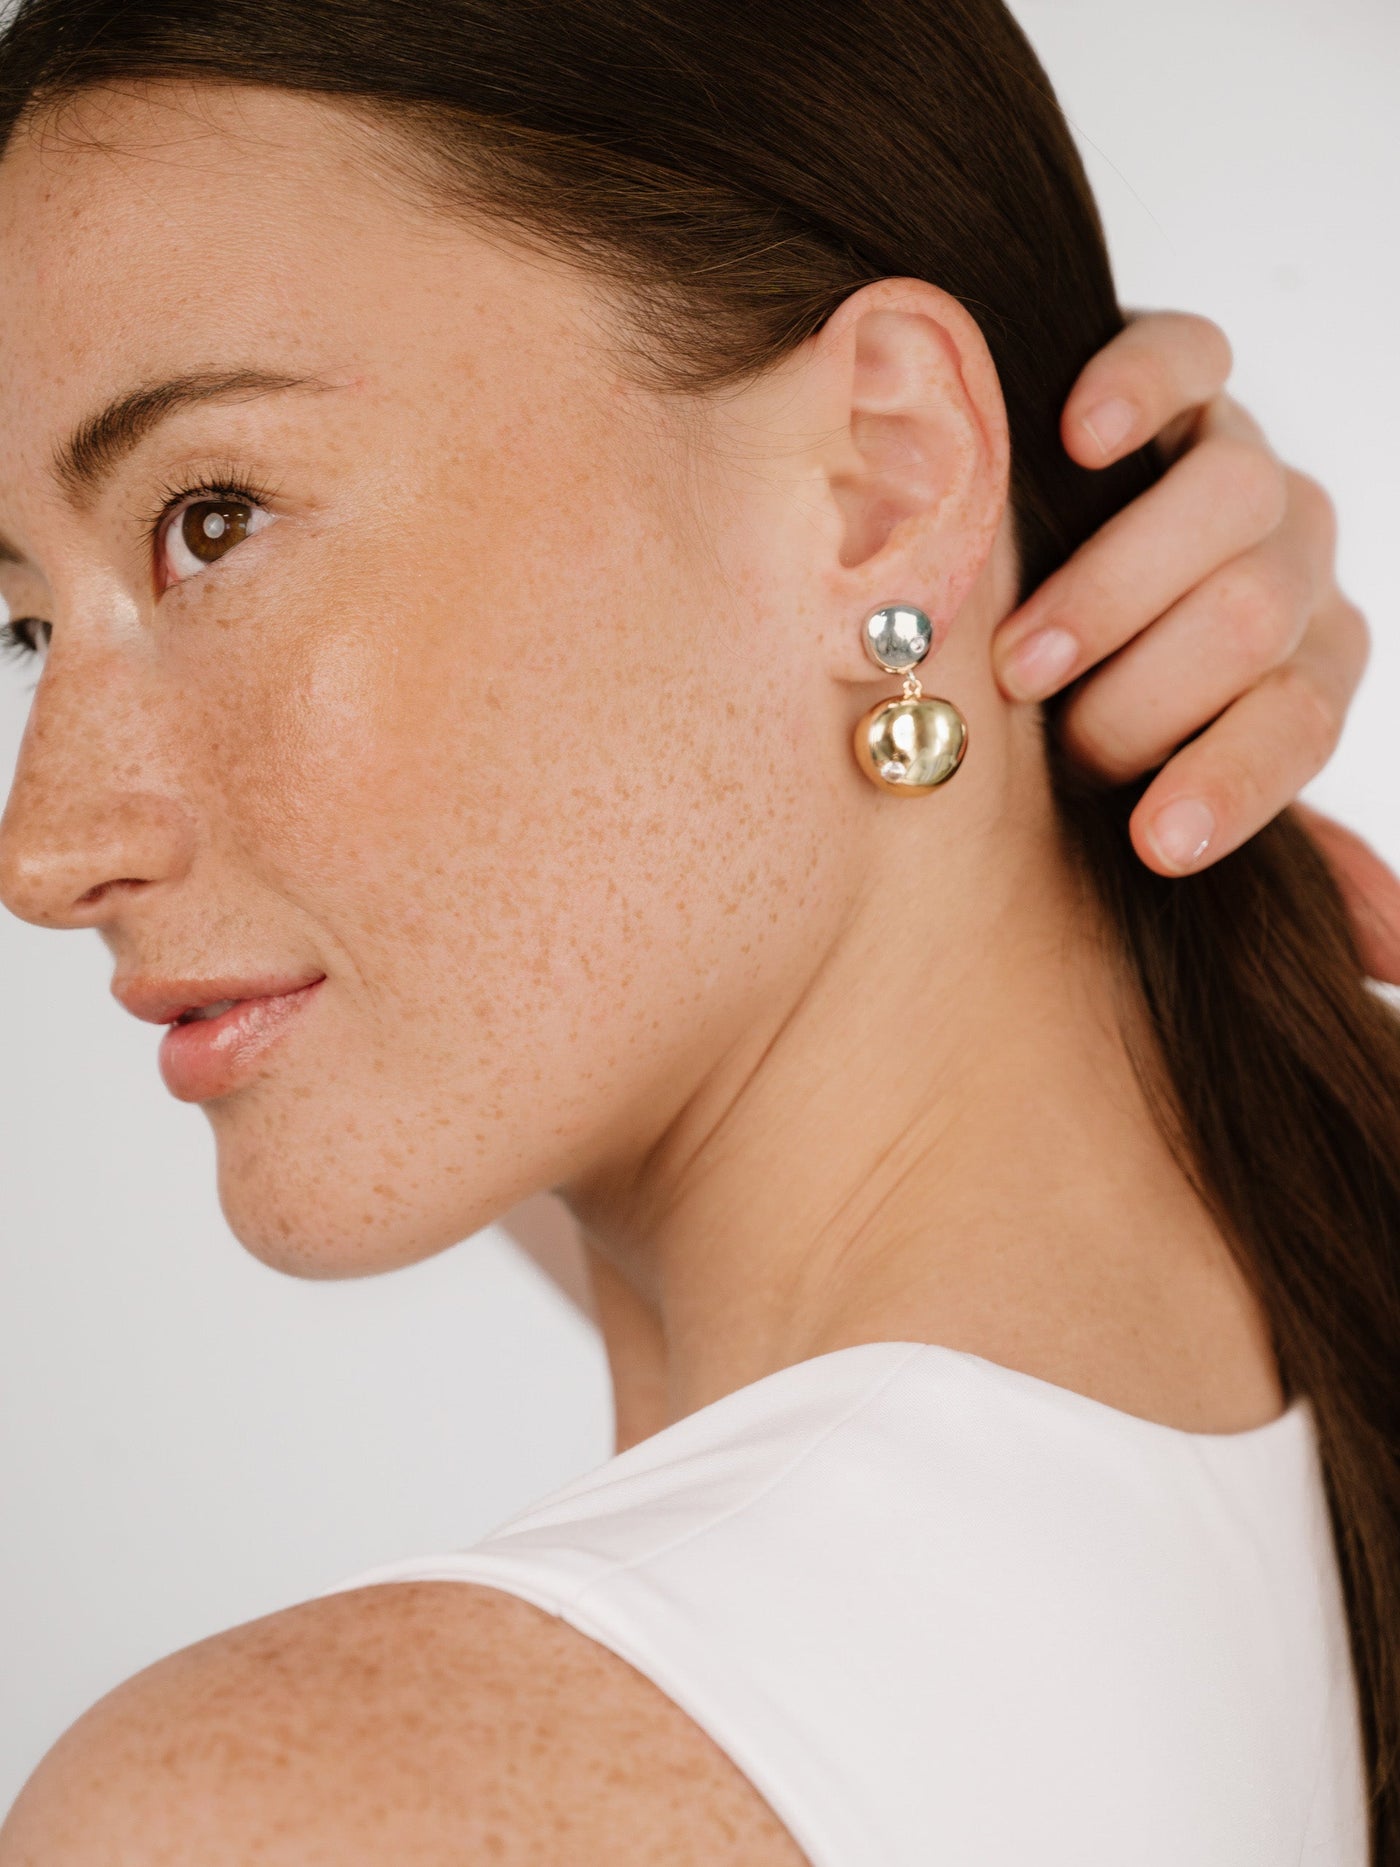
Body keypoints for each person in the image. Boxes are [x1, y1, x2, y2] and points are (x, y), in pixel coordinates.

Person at [0, 1, 1396, 1862]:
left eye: (214, 518)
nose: (47, 843)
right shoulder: (1285, 1400)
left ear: (880, 477)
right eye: (22, 626)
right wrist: (984, 584)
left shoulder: (301, 1813)